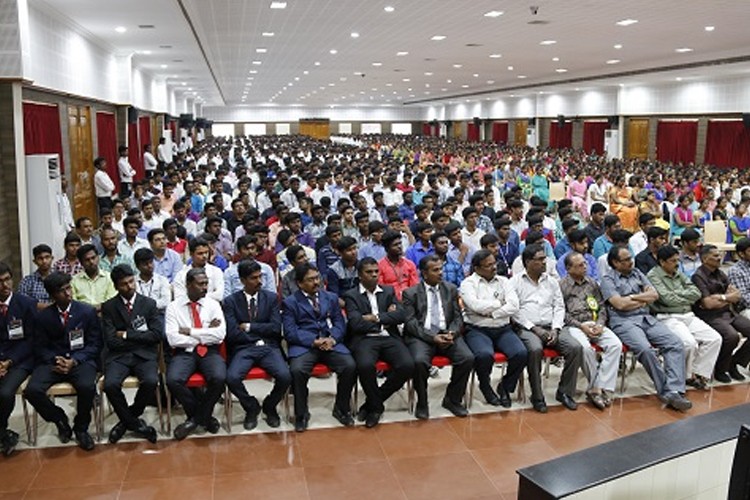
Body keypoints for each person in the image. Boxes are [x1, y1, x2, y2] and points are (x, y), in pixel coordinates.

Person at [600, 247, 691, 411]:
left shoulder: (638, 273)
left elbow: (654, 295)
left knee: (675, 343)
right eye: (626, 259)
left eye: (631, 258)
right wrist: (642, 298)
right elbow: (619, 304)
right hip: (623, 321)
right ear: (615, 263)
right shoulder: (608, 280)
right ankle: (668, 392)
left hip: (646, 318)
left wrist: (632, 298)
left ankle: (674, 389)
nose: (631, 262)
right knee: (645, 349)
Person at [24, 272, 101, 450]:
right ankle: (59, 418)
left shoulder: (86, 311)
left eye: (68, 287)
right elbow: (39, 346)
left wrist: (74, 360)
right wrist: (55, 360)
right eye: (62, 290)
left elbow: (95, 344)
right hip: (53, 362)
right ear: (52, 296)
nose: (68, 293)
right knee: (32, 391)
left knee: (87, 387)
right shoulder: (42, 317)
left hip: (80, 360)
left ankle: (81, 428)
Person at [283, 263, 357, 432]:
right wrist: (314, 341)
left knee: (349, 366)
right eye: (311, 280)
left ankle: (341, 408)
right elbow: (290, 332)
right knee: (298, 370)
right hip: (305, 345)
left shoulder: (330, 297)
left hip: (329, 343)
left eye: (317, 278)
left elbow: (340, 322)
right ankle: (301, 414)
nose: (316, 282)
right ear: (300, 283)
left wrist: (332, 338)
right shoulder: (290, 302)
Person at [511, 245, 582, 413]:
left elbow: (559, 307)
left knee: (575, 348)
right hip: (528, 328)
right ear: (528, 262)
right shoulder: (514, 282)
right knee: (535, 349)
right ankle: (537, 395)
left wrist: (556, 329)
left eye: (545, 258)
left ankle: (565, 392)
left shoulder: (551, 281)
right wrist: (535, 329)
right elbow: (515, 310)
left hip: (552, 326)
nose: (545, 262)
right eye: (541, 259)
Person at [343, 258, 414, 428]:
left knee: (407, 365)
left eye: (376, 271)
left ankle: (372, 403)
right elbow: (356, 324)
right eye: (369, 272)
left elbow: (401, 316)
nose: (374, 275)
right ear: (360, 275)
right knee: (365, 366)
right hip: (365, 339)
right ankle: (376, 408)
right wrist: (386, 318)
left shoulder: (388, 291)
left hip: (388, 337)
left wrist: (376, 318)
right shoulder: (351, 295)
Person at [400, 255, 472, 419]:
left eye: (441, 269)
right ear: (424, 274)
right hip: (422, 336)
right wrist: (432, 337)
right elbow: (410, 323)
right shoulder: (410, 293)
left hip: (447, 333)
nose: (441, 273)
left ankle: (452, 399)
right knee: (419, 362)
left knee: (467, 358)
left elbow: (457, 317)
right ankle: (422, 402)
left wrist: (452, 333)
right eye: (436, 270)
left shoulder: (451, 289)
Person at [224, 261, 291, 430]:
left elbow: (275, 329)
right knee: (231, 378)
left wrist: (249, 327)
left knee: (285, 376)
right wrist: (256, 336)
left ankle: (270, 405)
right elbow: (232, 333)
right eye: (254, 278)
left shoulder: (271, 298)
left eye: (260, 276)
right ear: (242, 280)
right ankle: (251, 407)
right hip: (243, 348)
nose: (259, 281)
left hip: (269, 346)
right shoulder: (230, 302)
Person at [100, 264, 160, 444]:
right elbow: (111, 341)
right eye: (124, 284)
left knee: (151, 381)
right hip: (119, 357)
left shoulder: (149, 304)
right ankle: (136, 424)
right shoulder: (109, 307)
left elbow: (156, 335)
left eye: (131, 281)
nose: (130, 286)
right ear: (116, 286)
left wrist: (127, 334)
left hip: (144, 355)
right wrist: (141, 337)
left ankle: (126, 421)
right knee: (110, 385)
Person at [647, 246, 721, 390]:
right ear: (662, 262)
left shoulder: (678, 273)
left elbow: (696, 293)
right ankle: (685, 377)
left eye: (677, 260)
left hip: (688, 314)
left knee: (714, 338)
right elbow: (666, 299)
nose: (676, 263)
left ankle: (698, 373)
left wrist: (676, 294)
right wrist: (683, 295)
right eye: (672, 261)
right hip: (667, 316)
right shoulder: (652, 276)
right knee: (689, 343)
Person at [459, 249, 527, 407]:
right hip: (477, 329)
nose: (494, 267)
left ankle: (505, 387)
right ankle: (485, 386)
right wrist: (499, 304)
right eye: (488, 265)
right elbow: (475, 306)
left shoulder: (504, 281)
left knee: (521, 353)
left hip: (503, 328)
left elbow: (514, 306)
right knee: (484, 355)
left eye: (494, 263)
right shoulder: (468, 283)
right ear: (477, 268)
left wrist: (493, 314)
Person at [165, 268, 227, 440]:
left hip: (210, 351)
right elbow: (173, 339)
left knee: (219, 378)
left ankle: (195, 420)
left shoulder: (213, 305)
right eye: (201, 284)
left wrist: (190, 331)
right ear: (188, 285)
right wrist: (205, 333)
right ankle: (205, 418)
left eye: (206, 283)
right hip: (184, 352)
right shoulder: (173, 307)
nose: (205, 288)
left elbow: (220, 335)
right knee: (173, 380)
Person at [559, 252, 622, 410]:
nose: (585, 267)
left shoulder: (592, 283)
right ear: (568, 268)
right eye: (580, 265)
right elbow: (561, 313)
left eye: (585, 263)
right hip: (575, 325)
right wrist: (581, 326)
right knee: (585, 349)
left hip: (595, 322)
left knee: (615, 345)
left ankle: (599, 387)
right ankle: (597, 390)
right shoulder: (562, 286)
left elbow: (601, 306)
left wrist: (600, 324)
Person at [692, 245, 750, 383]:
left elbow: (736, 295)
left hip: (728, 312)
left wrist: (722, 298)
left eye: (719, 255)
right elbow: (707, 304)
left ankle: (734, 362)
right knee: (731, 336)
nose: (720, 258)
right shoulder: (698, 276)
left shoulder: (720, 273)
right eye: (715, 256)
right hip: (709, 315)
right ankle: (720, 369)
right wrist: (726, 298)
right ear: (705, 259)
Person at [0, 262, 37, 456]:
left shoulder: (26, 304)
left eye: (7, 279)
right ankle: (3, 434)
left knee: (5, 393)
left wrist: (9, 362)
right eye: (0, 282)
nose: (4, 285)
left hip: (20, 361)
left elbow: (32, 340)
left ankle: (2, 430)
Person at [173, 238, 225, 302]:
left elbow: (219, 296)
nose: (204, 256)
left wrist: (194, 297)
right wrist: (210, 295)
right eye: (200, 253)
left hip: (211, 309)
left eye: (206, 252)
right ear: (191, 254)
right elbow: (179, 298)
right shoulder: (181, 275)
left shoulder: (216, 271)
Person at [70, 244, 117, 312]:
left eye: (93, 258)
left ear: (98, 257)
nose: (91, 262)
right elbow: (74, 305)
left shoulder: (109, 277)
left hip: (105, 316)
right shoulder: (74, 281)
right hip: (83, 317)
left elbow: (110, 303)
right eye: (87, 260)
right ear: (81, 263)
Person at [377, 230, 419, 300]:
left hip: (410, 301)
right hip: (390, 302)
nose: (399, 247)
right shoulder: (380, 266)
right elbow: (381, 290)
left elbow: (414, 287)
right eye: (395, 245)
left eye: (400, 243)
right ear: (387, 248)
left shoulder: (409, 264)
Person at [133, 248, 171, 314]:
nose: (150, 266)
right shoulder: (133, 282)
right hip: (139, 316)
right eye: (145, 264)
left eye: (151, 262)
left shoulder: (162, 280)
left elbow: (166, 301)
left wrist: (147, 306)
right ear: (137, 266)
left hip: (159, 314)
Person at [19, 244, 54, 309]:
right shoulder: (27, 281)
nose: (44, 261)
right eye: (40, 258)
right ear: (34, 261)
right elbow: (23, 302)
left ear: (52, 258)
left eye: (47, 257)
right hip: (34, 316)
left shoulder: (60, 278)